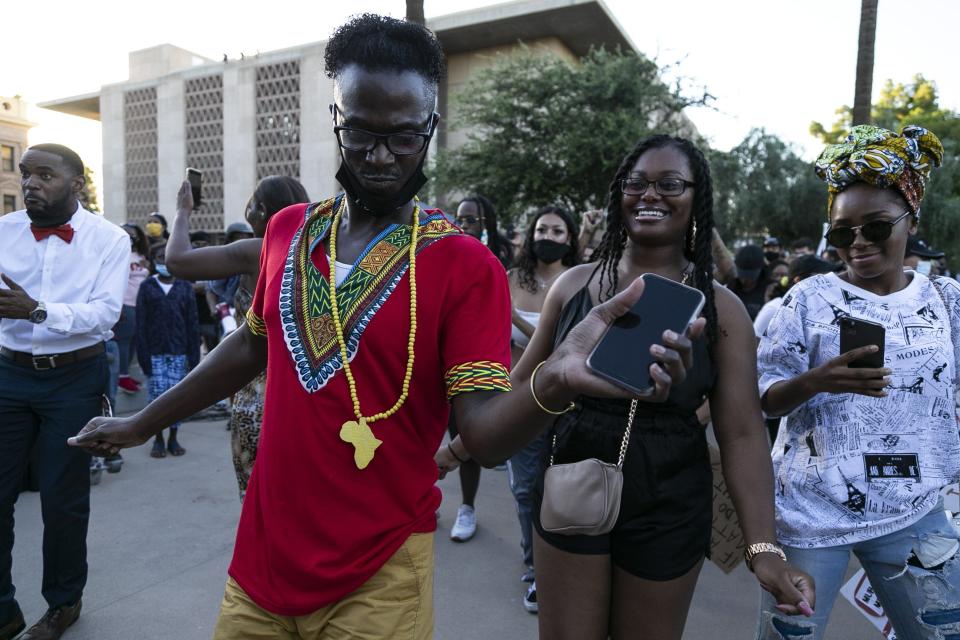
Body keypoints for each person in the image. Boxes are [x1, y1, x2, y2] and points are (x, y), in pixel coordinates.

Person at [71, 17, 800, 639]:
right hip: (258, 564)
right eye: (361, 132)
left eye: (403, 136)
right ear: (336, 121)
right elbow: (252, 344)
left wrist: (550, 382)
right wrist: (142, 424)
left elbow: (482, 433)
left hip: (380, 570)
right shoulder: (288, 233)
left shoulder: (464, 266)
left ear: (430, 130)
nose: (381, 155)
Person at [442, 134, 816, 638]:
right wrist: (457, 449)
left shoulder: (723, 309)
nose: (650, 195)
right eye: (635, 183)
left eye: (670, 184)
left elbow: (744, 432)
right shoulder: (573, 286)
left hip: (671, 493)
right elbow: (525, 383)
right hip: (574, 471)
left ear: (697, 200)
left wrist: (764, 549)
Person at [756, 125, 960, 640]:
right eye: (843, 233)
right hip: (810, 513)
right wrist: (816, 381)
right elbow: (763, 396)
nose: (860, 243)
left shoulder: (946, 300)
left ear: (911, 219)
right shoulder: (805, 299)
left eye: (875, 227)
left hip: (915, 511)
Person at [0, 143, 129, 640]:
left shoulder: (109, 240)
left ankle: (63, 603)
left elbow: (104, 315)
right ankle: (2, 609)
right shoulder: (5, 232)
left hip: (75, 378)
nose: (31, 183)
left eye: (45, 175)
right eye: (27, 174)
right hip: (9, 373)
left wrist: (37, 310)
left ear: (76, 184)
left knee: (62, 499)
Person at [165, 175, 309, 498]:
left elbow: (177, 260)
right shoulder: (317, 248)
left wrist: (183, 212)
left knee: (260, 503)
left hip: (258, 395)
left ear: (260, 211)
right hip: (306, 394)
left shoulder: (257, 250)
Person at [506, 204, 580, 611]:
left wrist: (518, 322)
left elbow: (564, 344)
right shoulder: (510, 279)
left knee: (562, 488)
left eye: (556, 231)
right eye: (541, 230)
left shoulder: (579, 282)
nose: (547, 238)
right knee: (524, 490)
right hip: (520, 398)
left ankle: (565, 565)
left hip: (569, 404)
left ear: (569, 240)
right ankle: (533, 571)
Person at [135, 245, 200, 458]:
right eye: (160, 257)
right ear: (154, 260)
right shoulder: (147, 287)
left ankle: (173, 437)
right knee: (156, 398)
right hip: (155, 352)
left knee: (176, 399)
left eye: (167, 257)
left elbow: (192, 323)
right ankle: (158, 439)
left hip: (179, 351)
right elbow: (141, 323)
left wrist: (193, 356)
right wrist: (143, 355)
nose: (164, 261)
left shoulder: (184, 287)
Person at [115, 223, 152, 395]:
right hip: (126, 303)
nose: (130, 237)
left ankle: (126, 373)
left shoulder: (142, 256)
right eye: (125, 233)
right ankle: (121, 376)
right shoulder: (120, 255)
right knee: (124, 340)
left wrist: (148, 266)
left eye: (132, 234)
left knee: (134, 341)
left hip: (142, 305)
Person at [456, 195, 513, 268]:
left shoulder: (502, 259)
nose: (463, 225)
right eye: (459, 220)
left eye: (470, 220)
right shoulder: (453, 257)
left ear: (485, 223)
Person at [730, 244, 769, 320]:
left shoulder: (769, 290)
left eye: (751, 277)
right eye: (742, 276)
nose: (746, 280)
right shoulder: (730, 287)